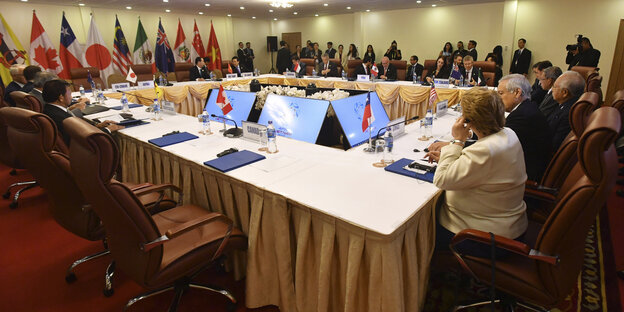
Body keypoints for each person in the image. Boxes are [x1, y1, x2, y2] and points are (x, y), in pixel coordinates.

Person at [427, 87, 528, 259]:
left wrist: (457, 141)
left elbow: (442, 179)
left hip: (481, 237)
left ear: (468, 120)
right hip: (508, 223)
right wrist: (449, 158)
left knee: (424, 223)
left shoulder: (484, 151)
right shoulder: (509, 133)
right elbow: (482, 165)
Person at [497, 74, 552, 181]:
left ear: (517, 93)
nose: (498, 98)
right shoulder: (527, 108)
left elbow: (497, 147)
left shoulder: (522, 116)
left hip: (523, 175)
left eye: (501, 93)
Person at [42, 79, 122, 146]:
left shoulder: (48, 110)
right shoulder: (63, 119)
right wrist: (107, 129)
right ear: (61, 98)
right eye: (69, 93)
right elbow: (83, 139)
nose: (71, 97)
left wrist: (97, 126)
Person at [548, 71, 585, 151]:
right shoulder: (566, 104)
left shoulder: (568, 113)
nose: (552, 89)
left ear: (564, 92)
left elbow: (554, 145)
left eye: (554, 86)